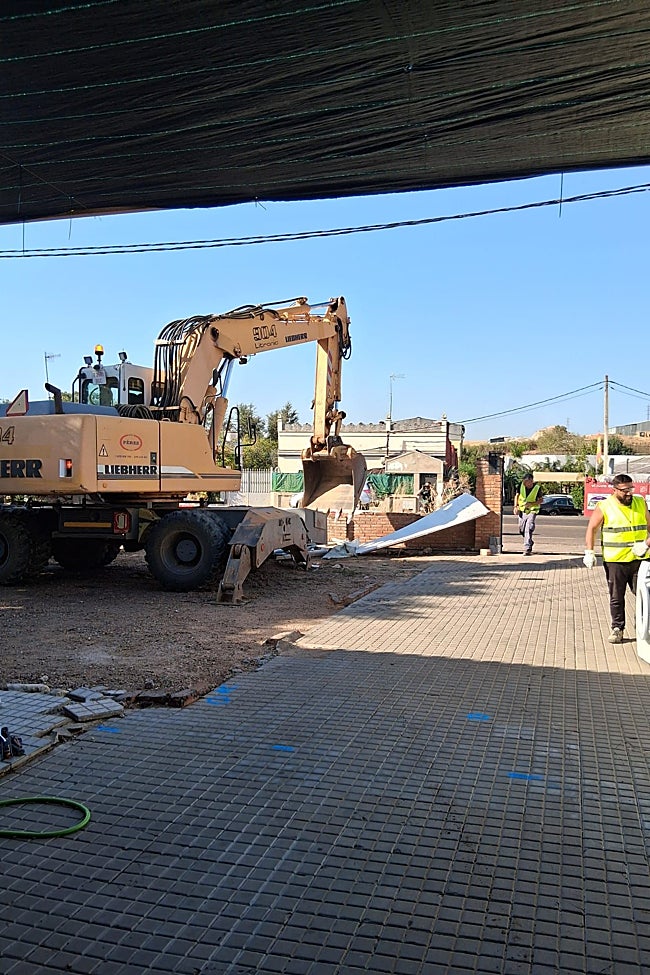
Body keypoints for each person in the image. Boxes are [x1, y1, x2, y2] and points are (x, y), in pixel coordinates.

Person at [584, 473, 650, 644]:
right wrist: (589, 552)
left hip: (641, 558)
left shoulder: (640, 502)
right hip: (616, 561)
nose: (629, 493)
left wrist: (646, 544)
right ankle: (617, 628)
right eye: (624, 490)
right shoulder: (604, 506)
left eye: (631, 489)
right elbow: (592, 529)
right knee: (616, 596)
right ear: (614, 490)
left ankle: (643, 625)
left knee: (644, 594)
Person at [514, 473, 543, 555]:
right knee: (521, 529)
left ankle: (527, 548)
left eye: (526, 482)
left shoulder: (537, 488)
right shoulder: (521, 485)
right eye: (524, 481)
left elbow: (541, 500)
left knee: (528, 528)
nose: (524, 483)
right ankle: (530, 541)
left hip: (532, 511)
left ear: (531, 481)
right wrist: (515, 506)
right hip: (522, 510)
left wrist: (532, 504)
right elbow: (517, 495)